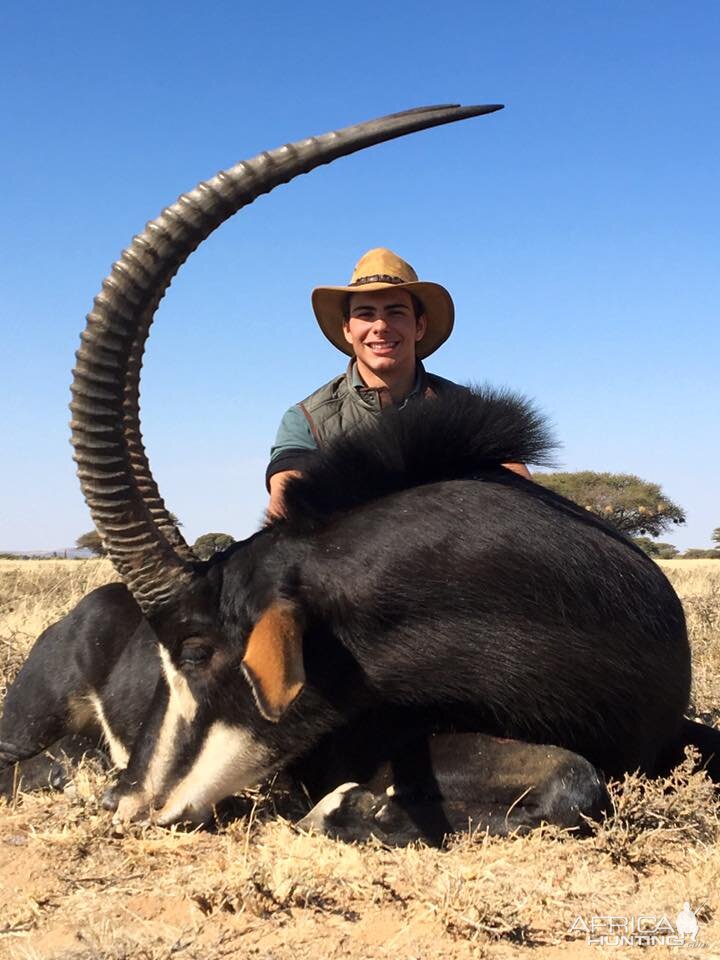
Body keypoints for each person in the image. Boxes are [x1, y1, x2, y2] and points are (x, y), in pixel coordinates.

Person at [266, 247, 530, 518]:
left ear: (419, 326)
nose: (380, 326)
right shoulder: (306, 421)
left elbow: (522, 503)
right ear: (347, 328)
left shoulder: (469, 411)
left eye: (395, 312)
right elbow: (284, 513)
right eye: (366, 314)